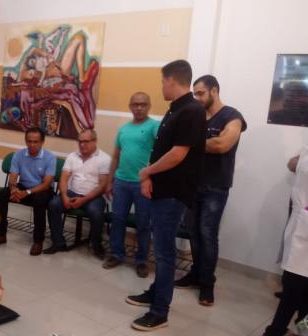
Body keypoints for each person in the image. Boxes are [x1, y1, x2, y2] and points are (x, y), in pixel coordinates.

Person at [125, 60, 206, 331]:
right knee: (160, 250)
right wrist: (151, 179)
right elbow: (163, 150)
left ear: (172, 80)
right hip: (163, 189)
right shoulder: (176, 110)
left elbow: (177, 154)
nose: (161, 86)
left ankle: (160, 311)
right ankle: (156, 291)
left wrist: (147, 172)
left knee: (164, 252)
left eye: (162, 81)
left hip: (174, 193)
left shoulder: (192, 111)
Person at [174, 75, 247, 306]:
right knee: (194, 234)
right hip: (192, 184)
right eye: (195, 93)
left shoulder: (232, 116)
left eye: (201, 93)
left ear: (214, 91)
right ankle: (195, 273)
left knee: (207, 234)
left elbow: (222, 144)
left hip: (216, 186)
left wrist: (191, 143)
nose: (197, 97)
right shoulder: (197, 114)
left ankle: (207, 284)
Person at [103, 92, 159, 278]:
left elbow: (161, 154)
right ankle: (117, 254)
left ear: (149, 106)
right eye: (135, 104)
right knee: (118, 219)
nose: (139, 108)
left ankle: (141, 260)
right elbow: (116, 156)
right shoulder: (123, 129)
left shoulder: (154, 127)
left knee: (143, 224)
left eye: (143, 104)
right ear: (130, 106)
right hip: (121, 182)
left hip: (142, 184)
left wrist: (151, 176)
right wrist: (109, 181)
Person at [0, 127, 56, 256]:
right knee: (2, 194)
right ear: (25, 141)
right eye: (29, 141)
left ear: (42, 142)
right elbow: (13, 178)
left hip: (43, 190)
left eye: (35, 142)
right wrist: (14, 190)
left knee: (39, 200)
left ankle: (38, 241)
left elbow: (46, 184)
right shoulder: (19, 155)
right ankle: (1, 234)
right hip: (24, 187)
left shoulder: (50, 158)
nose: (32, 145)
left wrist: (27, 192)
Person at [44, 129, 111, 258]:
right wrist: (64, 196)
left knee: (96, 213)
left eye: (86, 141)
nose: (82, 145)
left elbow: (102, 186)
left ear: (95, 141)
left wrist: (84, 200)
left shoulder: (105, 159)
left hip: (93, 196)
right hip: (72, 192)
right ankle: (58, 242)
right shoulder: (72, 156)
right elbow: (64, 178)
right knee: (53, 204)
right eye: (80, 141)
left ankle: (96, 245)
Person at [262, 149, 308, 336]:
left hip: (303, 225)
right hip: (301, 223)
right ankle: (291, 329)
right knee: (295, 286)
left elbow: (297, 165)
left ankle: (278, 330)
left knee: (294, 287)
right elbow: (293, 164)